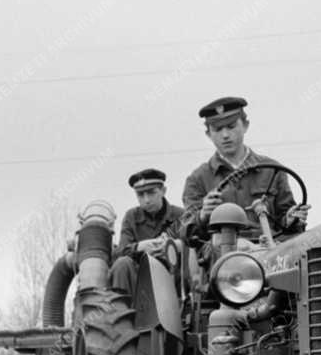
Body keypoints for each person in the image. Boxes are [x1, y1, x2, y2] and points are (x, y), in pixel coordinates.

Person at [181, 96, 310, 241]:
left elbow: (288, 225)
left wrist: (291, 218)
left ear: (245, 125)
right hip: (223, 249)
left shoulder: (273, 171)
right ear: (208, 134)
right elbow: (187, 233)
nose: (225, 135)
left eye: (231, 127)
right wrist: (203, 215)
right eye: (218, 129)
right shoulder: (198, 179)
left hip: (270, 247)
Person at [110, 168, 184, 295]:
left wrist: (175, 246)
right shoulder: (131, 217)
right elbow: (120, 252)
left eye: (151, 193)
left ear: (163, 191)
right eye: (140, 195)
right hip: (140, 282)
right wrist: (139, 247)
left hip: (174, 281)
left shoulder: (180, 215)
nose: (146, 200)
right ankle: (121, 306)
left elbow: (195, 248)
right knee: (122, 264)